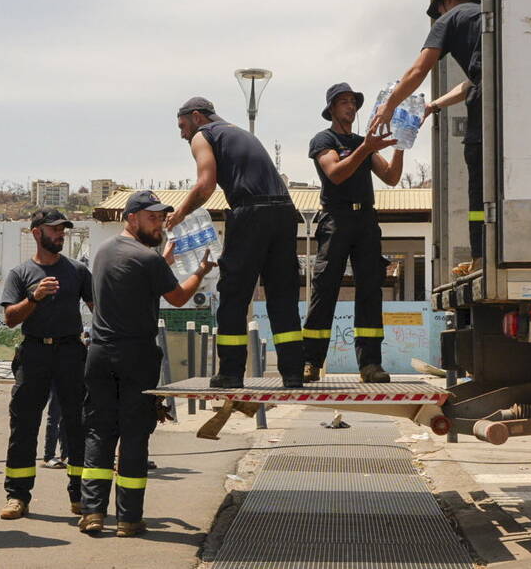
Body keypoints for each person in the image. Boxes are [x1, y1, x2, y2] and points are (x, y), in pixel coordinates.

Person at [79, 191, 215, 537]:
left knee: (99, 430)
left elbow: (134, 279)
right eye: (152, 218)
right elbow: (179, 297)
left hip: (99, 353)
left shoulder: (104, 253)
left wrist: (162, 262)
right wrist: (199, 271)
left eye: (160, 218)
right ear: (132, 217)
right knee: (135, 434)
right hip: (136, 355)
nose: (159, 224)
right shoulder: (148, 259)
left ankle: (93, 512)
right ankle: (129, 518)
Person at [168, 97, 304, 388]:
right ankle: (293, 373)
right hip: (284, 212)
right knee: (282, 296)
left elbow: (205, 185)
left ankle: (230, 372)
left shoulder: (204, 135)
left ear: (196, 117)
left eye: (182, 126)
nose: (182, 134)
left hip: (251, 213)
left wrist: (179, 214)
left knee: (233, 295)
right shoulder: (238, 132)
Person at [371, 0, 484, 266]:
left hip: (485, 110)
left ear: (444, 3)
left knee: (478, 188)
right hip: (506, 107)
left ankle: (482, 256)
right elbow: (471, 82)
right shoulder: (486, 17)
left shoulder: (449, 19)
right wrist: (432, 106)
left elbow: (419, 69)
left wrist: (390, 105)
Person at [302, 83, 402, 383]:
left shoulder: (363, 142)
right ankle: (310, 361)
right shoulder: (324, 139)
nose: (350, 107)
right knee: (325, 288)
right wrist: (367, 147)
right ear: (331, 109)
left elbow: (392, 177)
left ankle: (370, 364)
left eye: (353, 102)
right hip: (337, 218)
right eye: (343, 102)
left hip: (366, 219)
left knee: (370, 289)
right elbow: (336, 172)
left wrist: (401, 146)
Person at [0, 208, 94, 521]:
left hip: (70, 352)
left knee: (77, 424)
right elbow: (10, 318)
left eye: (63, 230)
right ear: (37, 233)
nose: (60, 235)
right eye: (54, 230)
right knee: (24, 426)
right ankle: (17, 496)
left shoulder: (78, 271)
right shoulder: (20, 273)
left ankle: (80, 496)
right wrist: (35, 297)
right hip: (34, 353)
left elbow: (98, 308)